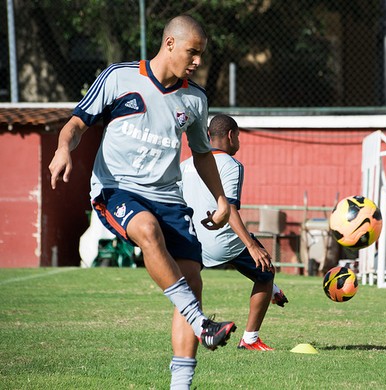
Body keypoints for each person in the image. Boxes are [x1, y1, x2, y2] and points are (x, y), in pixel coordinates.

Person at [48, 15, 236, 389]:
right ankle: (201, 324)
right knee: (147, 230)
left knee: (192, 282)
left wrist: (222, 199)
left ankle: (180, 385)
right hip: (116, 190)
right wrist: (62, 150)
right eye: (192, 52)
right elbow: (76, 123)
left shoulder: (195, 99)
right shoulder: (119, 77)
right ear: (169, 44)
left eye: (200, 54)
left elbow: (201, 154)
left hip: (168, 197)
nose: (197, 61)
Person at [181, 114, 288, 351]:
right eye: (238, 136)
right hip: (221, 240)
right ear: (231, 136)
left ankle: (273, 290)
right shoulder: (232, 165)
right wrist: (251, 245)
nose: (238, 141)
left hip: (194, 242)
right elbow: (229, 208)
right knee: (265, 270)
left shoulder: (186, 164)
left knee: (189, 286)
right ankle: (250, 339)